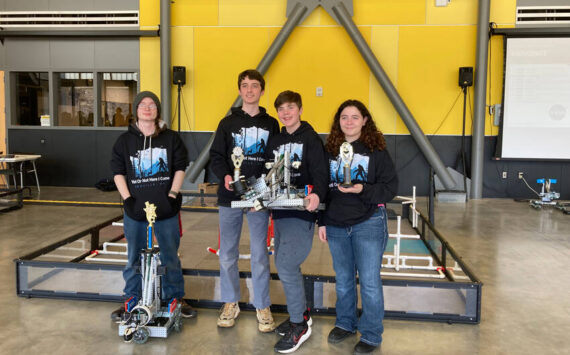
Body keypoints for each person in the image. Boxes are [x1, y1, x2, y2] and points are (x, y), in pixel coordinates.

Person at [318, 100, 398, 354]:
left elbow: (390, 187)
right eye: (344, 117)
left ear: (365, 120)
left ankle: (372, 334)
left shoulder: (376, 149)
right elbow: (322, 188)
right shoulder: (331, 149)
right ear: (338, 121)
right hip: (336, 224)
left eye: (355, 117)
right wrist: (322, 220)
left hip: (368, 223)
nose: (349, 122)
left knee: (370, 282)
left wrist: (363, 189)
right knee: (343, 280)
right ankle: (345, 323)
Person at [109, 90, 196, 321]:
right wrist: (127, 199)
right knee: (133, 258)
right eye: (142, 105)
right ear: (136, 110)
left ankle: (175, 297)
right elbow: (118, 172)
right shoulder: (124, 141)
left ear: (157, 111)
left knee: (170, 256)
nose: (147, 108)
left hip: (166, 209)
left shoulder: (171, 138)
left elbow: (180, 167)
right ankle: (132, 299)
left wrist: (172, 194)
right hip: (136, 210)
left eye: (152, 105)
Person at [209, 69, 280, 332]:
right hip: (229, 198)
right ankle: (231, 302)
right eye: (245, 86)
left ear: (262, 91)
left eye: (254, 86)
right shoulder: (227, 123)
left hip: (258, 198)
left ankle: (262, 304)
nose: (249, 90)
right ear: (239, 91)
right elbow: (217, 155)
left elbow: (274, 161)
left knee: (260, 254)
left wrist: (259, 191)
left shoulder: (271, 124)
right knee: (227, 254)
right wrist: (226, 175)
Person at [266, 91, 327, 353]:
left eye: (291, 107)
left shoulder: (311, 139)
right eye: (281, 109)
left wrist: (317, 196)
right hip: (279, 211)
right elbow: (270, 173)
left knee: (286, 264)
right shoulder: (276, 139)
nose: (286, 112)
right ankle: (302, 314)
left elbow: (322, 174)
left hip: (300, 212)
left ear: (300, 109)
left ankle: (298, 325)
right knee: (285, 263)